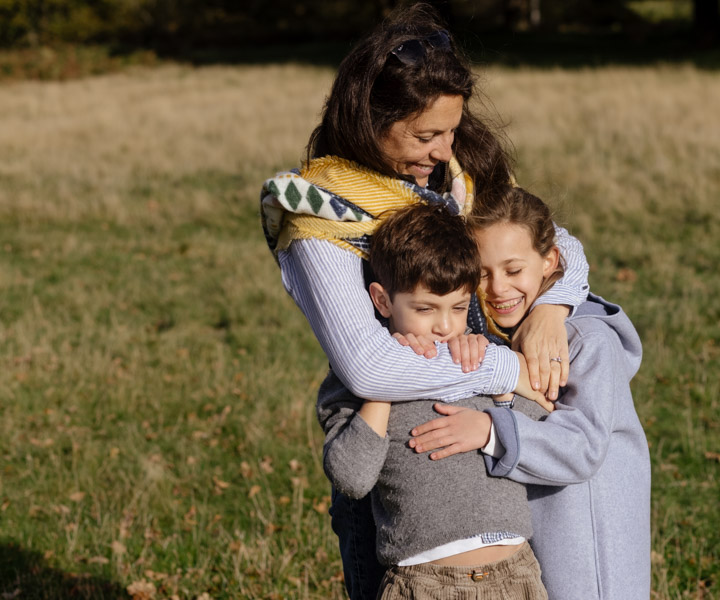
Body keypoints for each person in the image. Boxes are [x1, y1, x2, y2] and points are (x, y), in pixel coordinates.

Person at [258, 4, 590, 599]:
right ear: (370, 118)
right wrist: (505, 367)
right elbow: (368, 366)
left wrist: (550, 309)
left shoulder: (452, 181)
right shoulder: (321, 211)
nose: (442, 150)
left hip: (493, 476)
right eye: (424, 134)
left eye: (451, 131)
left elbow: (559, 247)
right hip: (400, 489)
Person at [408, 186, 651, 599]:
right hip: (539, 541)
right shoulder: (499, 336)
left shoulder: (590, 341)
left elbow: (583, 447)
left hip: (591, 547)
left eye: (513, 270)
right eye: (482, 274)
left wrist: (490, 431)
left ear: (549, 262)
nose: (499, 288)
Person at [319, 203, 550, 599]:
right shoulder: (356, 379)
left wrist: (497, 387)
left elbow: (543, 417)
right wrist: (384, 381)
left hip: (516, 574)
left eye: (459, 309)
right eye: (425, 309)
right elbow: (352, 479)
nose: (445, 326)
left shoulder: (482, 355)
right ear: (382, 300)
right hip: (423, 584)